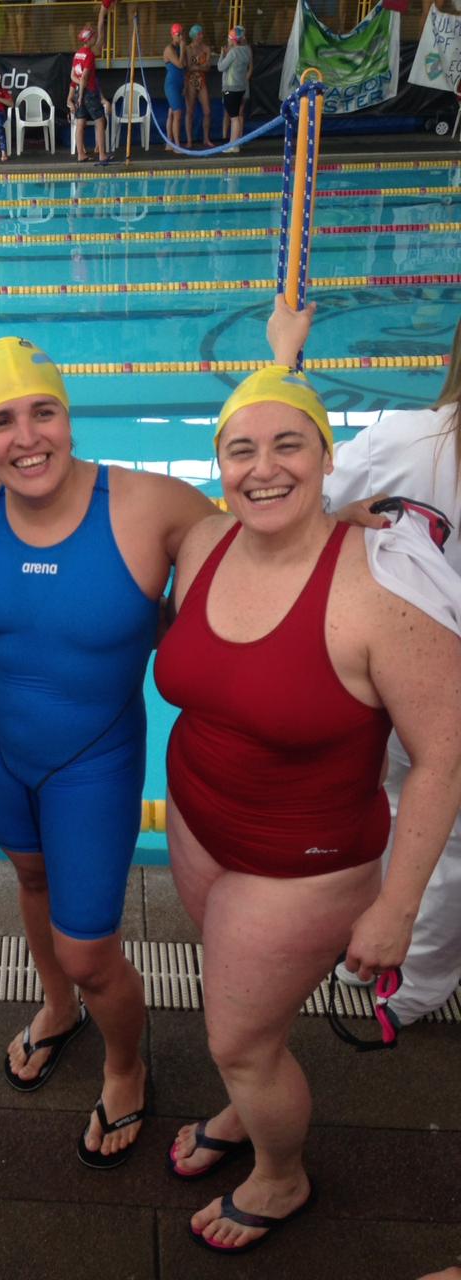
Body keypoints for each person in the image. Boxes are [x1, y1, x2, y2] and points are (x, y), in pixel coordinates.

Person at [154, 298, 461, 1254]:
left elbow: (446, 755)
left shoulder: (377, 592)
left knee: (235, 1038)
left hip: (306, 864)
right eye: (240, 451)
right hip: (200, 819)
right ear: (218, 466)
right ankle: (247, 1100)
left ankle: (280, 1175)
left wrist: (398, 908)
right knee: (245, 1003)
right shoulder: (202, 545)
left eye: (291, 445)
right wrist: (282, 360)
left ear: (330, 458)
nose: (264, 467)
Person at [0, 337, 214, 1167]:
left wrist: (343, 521)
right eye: (1, 422)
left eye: (43, 412)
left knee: (91, 951)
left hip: (94, 761)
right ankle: (58, 1009)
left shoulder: (155, 506)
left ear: (68, 416)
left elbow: (266, 553)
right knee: (31, 882)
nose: (26, 438)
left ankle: (127, 1064)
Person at [324, 313, 461, 1027]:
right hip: (418, 677)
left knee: (420, 820)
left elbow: (299, 499)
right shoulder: (409, 440)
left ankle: (403, 979)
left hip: (410, 677)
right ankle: (403, 967)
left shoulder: (406, 440)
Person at [69, 25, 110, 165]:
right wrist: (81, 94)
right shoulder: (89, 55)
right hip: (89, 92)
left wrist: (79, 89)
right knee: (100, 121)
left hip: (78, 91)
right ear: (89, 39)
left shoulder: (77, 54)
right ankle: (102, 155)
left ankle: (81, 154)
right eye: (93, 36)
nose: (95, 38)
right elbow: (85, 77)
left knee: (80, 123)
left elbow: (73, 76)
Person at [217, 26, 251, 152]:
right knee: (236, 116)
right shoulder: (246, 50)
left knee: (234, 117)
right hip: (241, 88)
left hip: (230, 89)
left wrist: (222, 54)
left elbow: (220, 67)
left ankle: (233, 145)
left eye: (229, 38)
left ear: (232, 39)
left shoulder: (233, 53)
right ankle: (234, 144)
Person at [184, 24, 212, 149]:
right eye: (199, 34)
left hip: (201, 79)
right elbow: (188, 67)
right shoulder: (188, 48)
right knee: (190, 111)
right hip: (190, 80)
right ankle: (189, 140)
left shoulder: (206, 48)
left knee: (207, 111)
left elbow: (208, 67)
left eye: (201, 34)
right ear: (194, 36)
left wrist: (197, 67)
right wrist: (200, 66)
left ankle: (206, 139)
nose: (201, 36)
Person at [163, 23, 186, 152]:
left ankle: (169, 143)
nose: (181, 37)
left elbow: (185, 65)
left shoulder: (179, 48)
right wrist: (182, 48)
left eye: (182, 34)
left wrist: (185, 84)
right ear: (172, 35)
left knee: (172, 113)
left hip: (179, 84)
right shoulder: (169, 49)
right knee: (177, 113)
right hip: (171, 85)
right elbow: (180, 65)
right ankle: (177, 145)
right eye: (178, 34)